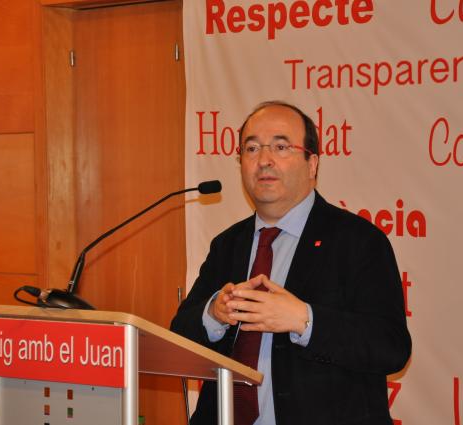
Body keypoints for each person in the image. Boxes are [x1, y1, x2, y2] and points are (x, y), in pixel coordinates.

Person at [171, 101, 411, 425]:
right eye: (252, 148)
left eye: (281, 147)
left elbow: (391, 347)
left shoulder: (358, 241)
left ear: (312, 164)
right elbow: (179, 336)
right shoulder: (228, 245)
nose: (264, 160)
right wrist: (213, 313)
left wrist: (304, 320)